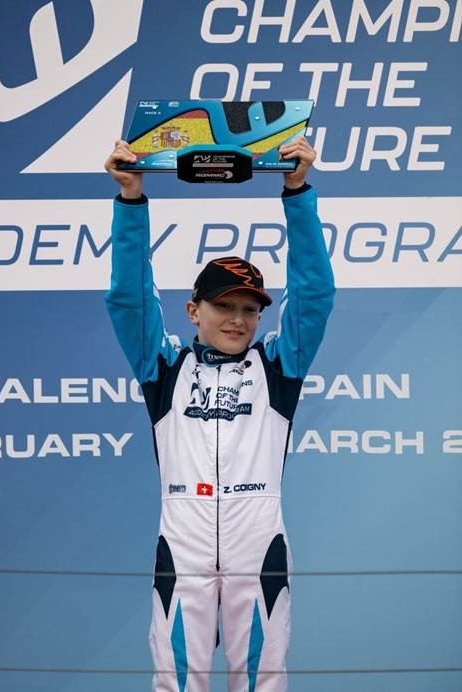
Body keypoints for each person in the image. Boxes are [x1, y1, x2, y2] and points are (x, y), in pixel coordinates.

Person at [104, 137, 335, 692]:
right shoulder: (163, 367)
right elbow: (129, 299)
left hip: (258, 540)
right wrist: (131, 199)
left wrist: (297, 192)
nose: (238, 320)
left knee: (262, 681)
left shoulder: (278, 367)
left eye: (250, 310)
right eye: (224, 306)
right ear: (193, 310)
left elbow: (314, 295)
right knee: (177, 682)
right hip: (181, 541)